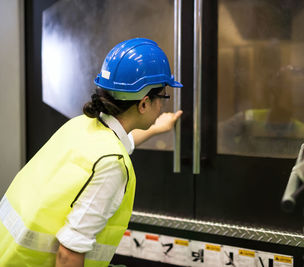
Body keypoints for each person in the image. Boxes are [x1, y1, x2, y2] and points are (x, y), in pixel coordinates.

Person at [0, 38, 183, 267]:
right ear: (144, 104)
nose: (163, 106)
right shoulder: (111, 164)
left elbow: (115, 144)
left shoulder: (82, 126)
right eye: (163, 98)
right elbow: (69, 254)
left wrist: (157, 127)